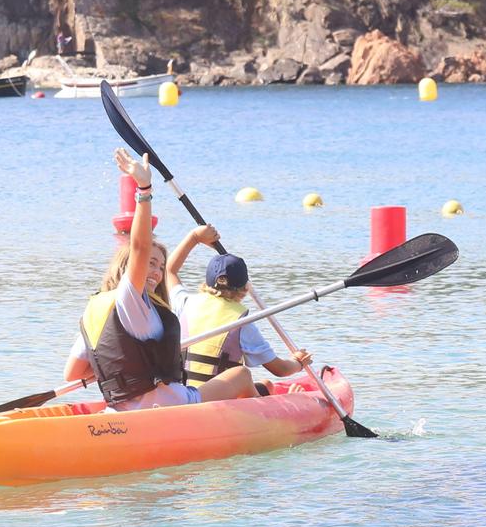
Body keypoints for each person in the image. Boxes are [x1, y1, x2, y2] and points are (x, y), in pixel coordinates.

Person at [63, 150, 255, 411]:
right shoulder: (130, 300)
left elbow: (73, 374)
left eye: (161, 266)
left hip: (119, 412)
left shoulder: (95, 310)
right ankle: (264, 416)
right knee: (241, 375)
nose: (156, 272)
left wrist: (123, 366)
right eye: (151, 264)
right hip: (167, 407)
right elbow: (140, 246)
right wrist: (144, 189)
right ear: (129, 267)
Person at [168, 231, 313, 397]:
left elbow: (170, 271)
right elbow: (280, 369)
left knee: (266, 385)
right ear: (245, 289)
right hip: (217, 403)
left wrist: (194, 238)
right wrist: (298, 362)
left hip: (183, 395)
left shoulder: (185, 301)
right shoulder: (241, 322)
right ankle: (287, 404)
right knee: (247, 376)